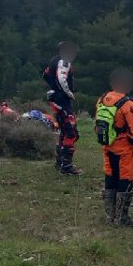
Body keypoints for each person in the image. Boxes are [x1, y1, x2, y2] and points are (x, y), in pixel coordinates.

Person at [96, 67, 133, 227]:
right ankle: (122, 218)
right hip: (124, 150)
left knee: (110, 178)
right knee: (124, 180)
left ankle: (110, 216)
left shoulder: (102, 99)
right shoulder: (128, 105)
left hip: (107, 147)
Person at [42, 40, 80, 175]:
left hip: (56, 100)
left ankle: (60, 162)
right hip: (62, 101)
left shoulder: (54, 60)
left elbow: (45, 74)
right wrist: (68, 92)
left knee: (64, 131)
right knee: (71, 132)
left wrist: (53, 88)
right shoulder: (64, 62)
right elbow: (61, 78)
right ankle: (66, 166)